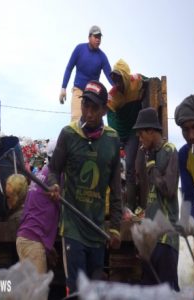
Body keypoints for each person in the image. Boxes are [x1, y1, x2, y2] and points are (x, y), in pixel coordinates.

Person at [49, 80, 122, 295]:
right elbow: (54, 169)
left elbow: (116, 188)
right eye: (85, 106)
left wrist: (116, 227)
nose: (88, 113)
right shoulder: (68, 134)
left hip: (97, 230)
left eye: (94, 108)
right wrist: (54, 184)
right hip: (72, 228)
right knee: (77, 291)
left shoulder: (112, 139)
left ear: (104, 110)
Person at [133, 107, 180, 291]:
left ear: (151, 131)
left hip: (166, 240)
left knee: (167, 292)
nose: (140, 139)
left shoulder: (170, 151)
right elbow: (140, 181)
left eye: (141, 134)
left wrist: (152, 167)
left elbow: (168, 189)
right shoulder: (147, 154)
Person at [107, 58, 148, 212]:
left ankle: (131, 204)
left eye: (118, 78)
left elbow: (149, 81)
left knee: (130, 166)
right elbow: (109, 113)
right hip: (119, 132)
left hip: (132, 132)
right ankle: (115, 204)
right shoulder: (113, 94)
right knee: (114, 166)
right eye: (113, 79)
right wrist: (115, 133)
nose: (116, 83)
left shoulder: (136, 81)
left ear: (125, 76)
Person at [16, 140, 60, 274]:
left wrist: (47, 246)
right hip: (32, 242)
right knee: (37, 294)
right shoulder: (57, 177)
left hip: (27, 238)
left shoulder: (42, 173)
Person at [59, 25, 113, 122]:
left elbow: (110, 75)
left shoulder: (102, 57)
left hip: (94, 94)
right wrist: (63, 88)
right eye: (96, 37)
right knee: (76, 121)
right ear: (89, 37)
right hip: (78, 90)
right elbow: (69, 68)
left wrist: (117, 89)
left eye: (99, 37)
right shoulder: (79, 49)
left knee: (93, 122)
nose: (98, 40)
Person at [174, 94, 194, 235]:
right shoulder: (184, 155)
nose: (191, 135)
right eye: (185, 130)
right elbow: (188, 194)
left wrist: (193, 217)